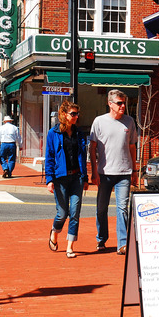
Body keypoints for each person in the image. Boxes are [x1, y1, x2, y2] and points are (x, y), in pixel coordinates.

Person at [89, 89, 138, 255]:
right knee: (101, 208)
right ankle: (101, 239)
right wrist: (94, 171)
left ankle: (122, 243)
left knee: (122, 208)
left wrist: (134, 170)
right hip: (104, 172)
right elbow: (93, 147)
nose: (123, 106)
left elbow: (132, 147)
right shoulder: (99, 122)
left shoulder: (129, 122)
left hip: (124, 172)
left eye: (124, 102)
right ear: (110, 104)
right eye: (119, 103)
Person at [45, 101, 89, 258]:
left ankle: (70, 246)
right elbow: (49, 157)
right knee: (62, 213)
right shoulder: (53, 133)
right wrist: (49, 179)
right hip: (60, 178)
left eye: (77, 114)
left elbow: (83, 157)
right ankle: (54, 232)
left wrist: (85, 178)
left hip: (76, 177)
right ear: (64, 115)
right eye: (73, 114)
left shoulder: (79, 133)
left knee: (75, 213)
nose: (76, 117)